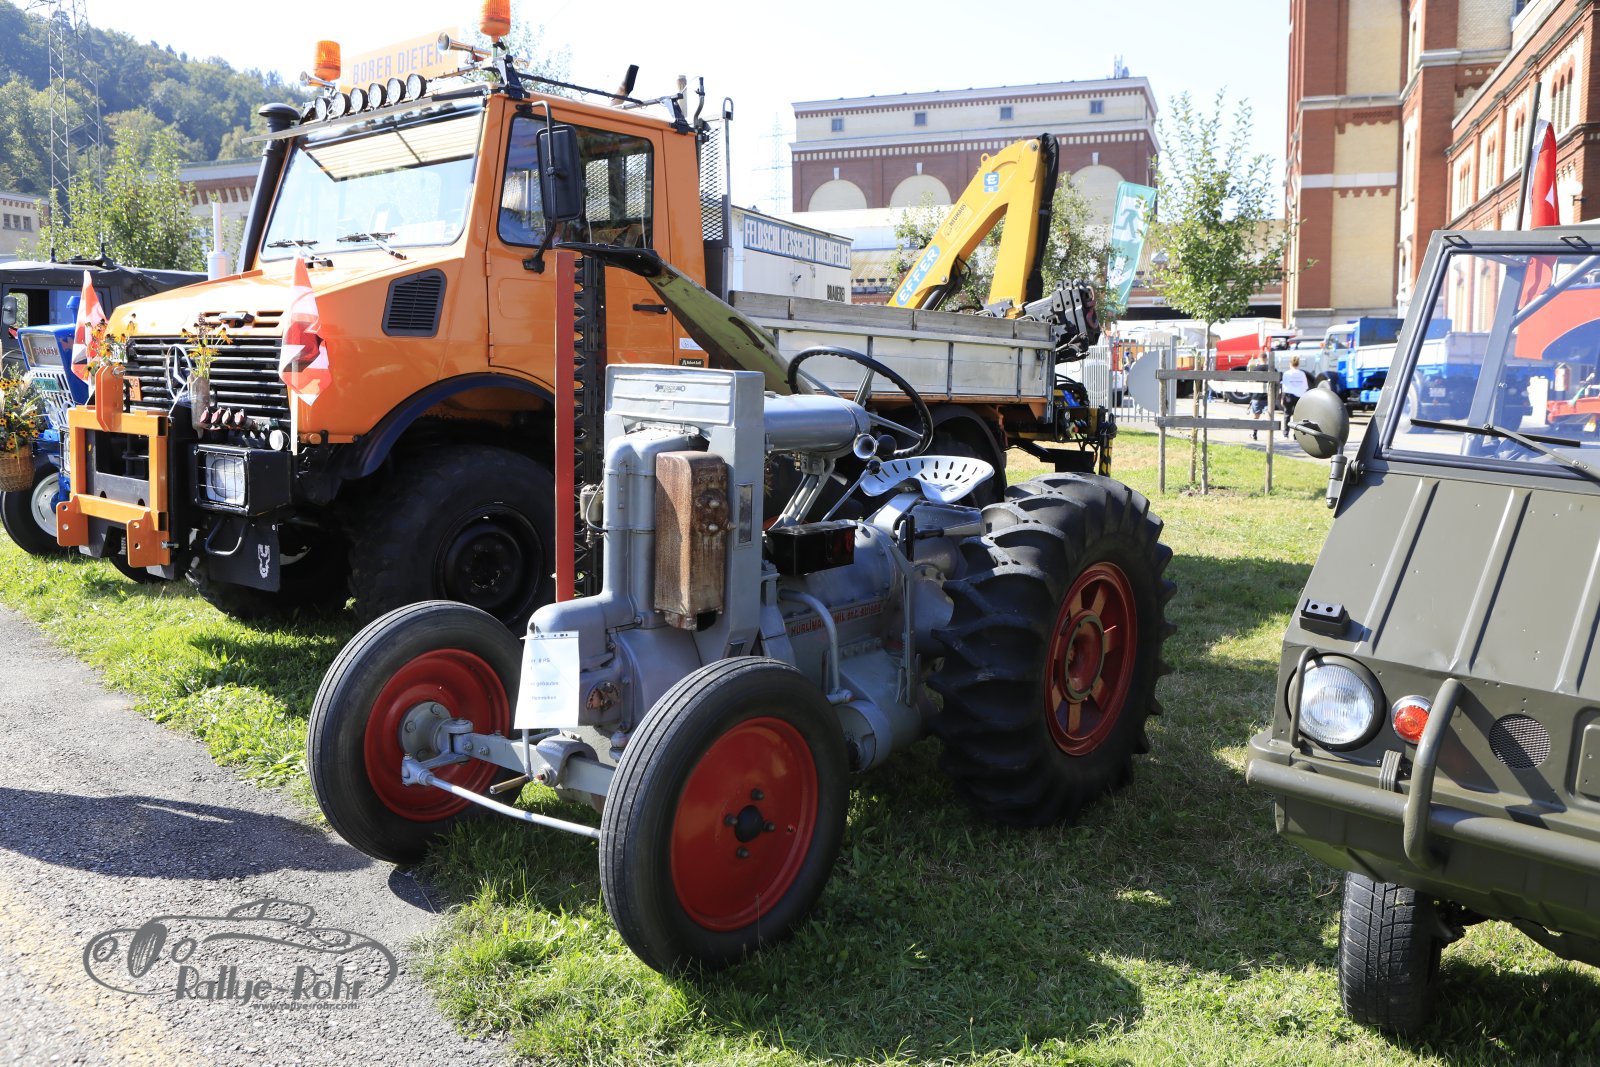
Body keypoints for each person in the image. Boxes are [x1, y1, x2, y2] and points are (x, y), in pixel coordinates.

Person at [1281, 354, 1311, 437]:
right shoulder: (1302, 374)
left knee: (1287, 415)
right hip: (1299, 397)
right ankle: (1296, 435)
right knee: (1297, 416)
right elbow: (1305, 387)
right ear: (1298, 364)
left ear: (1290, 363)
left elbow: (1284, 387)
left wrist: (1282, 398)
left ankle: (1285, 434)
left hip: (1289, 396)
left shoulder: (1286, 373)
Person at [1247, 352, 1270, 440]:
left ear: (1259, 359)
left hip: (1257, 396)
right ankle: (1269, 435)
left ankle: (1254, 433)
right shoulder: (1271, 369)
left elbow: (1250, 381)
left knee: (1256, 416)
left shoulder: (1256, 369)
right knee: (1269, 415)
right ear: (1266, 359)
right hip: (1268, 396)